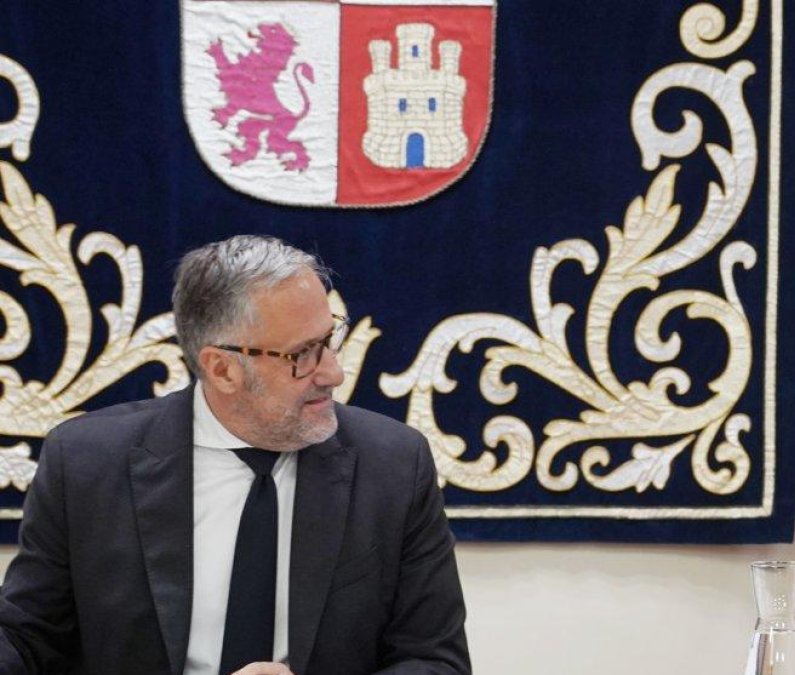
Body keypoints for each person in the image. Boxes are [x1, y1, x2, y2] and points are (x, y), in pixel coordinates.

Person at [0, 235, 471, 674]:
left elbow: (434, 659)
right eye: (302, 354)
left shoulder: (393, 465)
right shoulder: (86, 463)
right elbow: (27, 638)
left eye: (329, 340)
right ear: (222, 369)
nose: (333, 372)